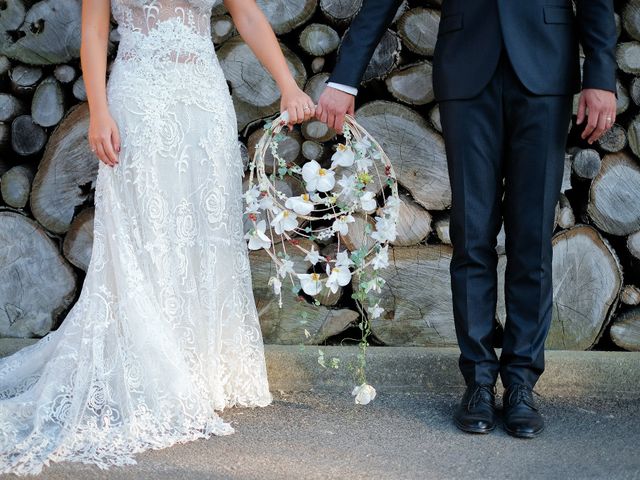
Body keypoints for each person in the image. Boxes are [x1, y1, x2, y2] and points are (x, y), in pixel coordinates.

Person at [0, 0, 315, 475]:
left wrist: (288, 84)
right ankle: (152, 367)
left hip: (204, 100)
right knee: (145, 227)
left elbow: (246, 14)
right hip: (138, 100)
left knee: (206, 229)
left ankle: (204, 369)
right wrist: (99, 112)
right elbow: (92, 31)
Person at [318, 0, 617, 438]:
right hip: (467, 69)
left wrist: (601, 78)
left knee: (531, 239)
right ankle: (478, 381)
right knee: (472, 235)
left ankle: (520, 385)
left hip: (546, 70)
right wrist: (344, 77)